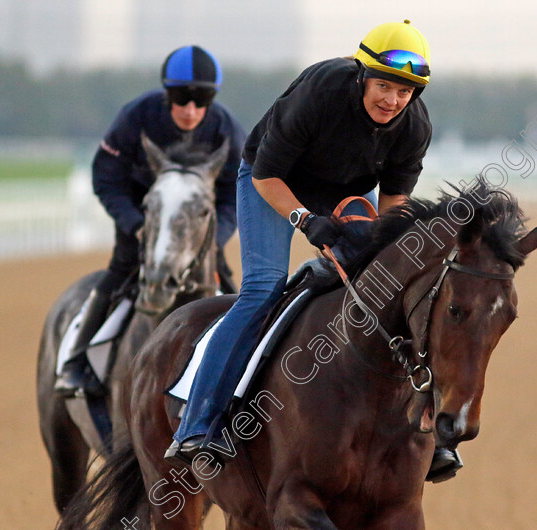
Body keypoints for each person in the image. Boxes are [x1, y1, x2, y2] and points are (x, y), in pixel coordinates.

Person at [167, 20, 459, 478]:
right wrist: (306, 220)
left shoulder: (414, 126)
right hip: (272, 181)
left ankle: (432, 430)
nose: (392, 101)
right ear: (362, 76)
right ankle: (197, 422)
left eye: (404, 93)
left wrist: (380, 251)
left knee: (403, 293)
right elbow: (266, 175)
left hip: (342, 197)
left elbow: (395, 203)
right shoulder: (321, 90)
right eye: (384, 86)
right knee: (264, 288)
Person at [54, 45, 247, 397]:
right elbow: (106, 176)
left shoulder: (227, 130)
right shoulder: (135, 117)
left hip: (198, 229)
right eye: (180, 99)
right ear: (165, 94)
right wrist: (134, 223)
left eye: (200, 100)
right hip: (146, 219)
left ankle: (247, 364)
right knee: (120, 270)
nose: (190, 111)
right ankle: (76, 362)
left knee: (230, 286)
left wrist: (213, 238)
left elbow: (238, 193)